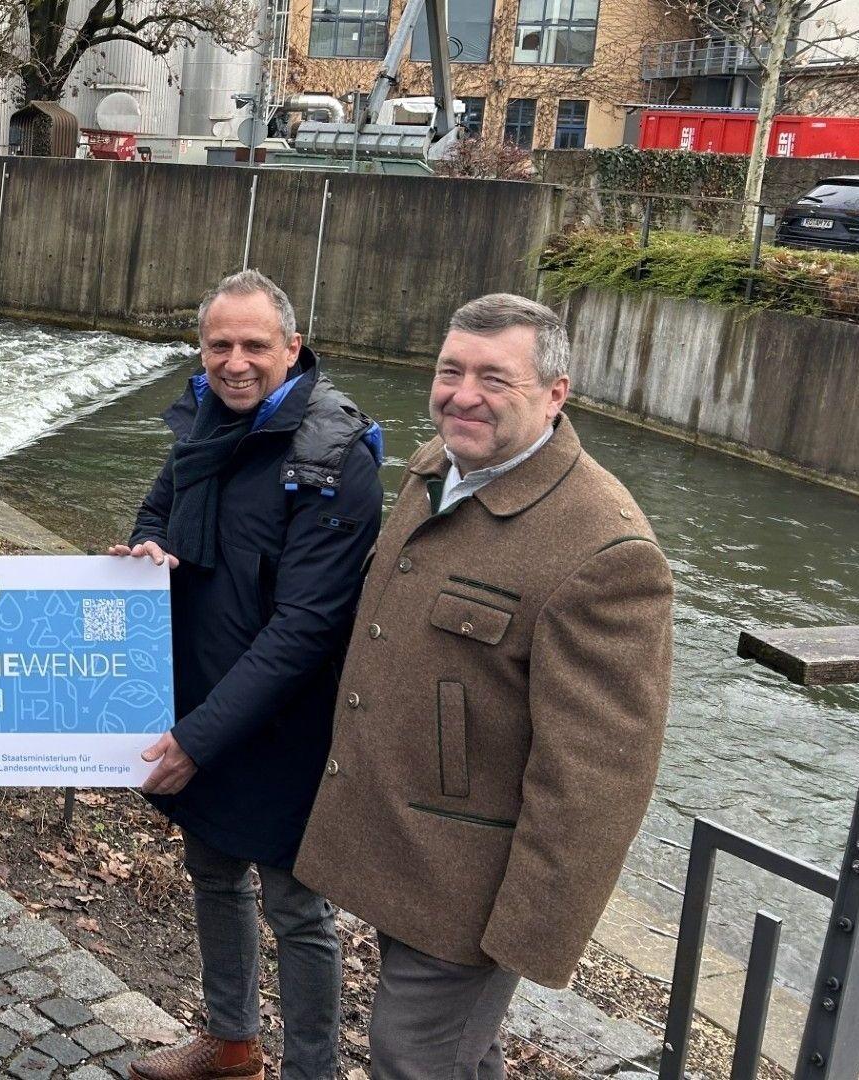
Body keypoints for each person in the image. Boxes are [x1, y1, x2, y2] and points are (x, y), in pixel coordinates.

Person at [295, 293, 674, 1080]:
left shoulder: (605, 549)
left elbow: (598, 775)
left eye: (494, 378)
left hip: (471, 884)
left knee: (413, 1055)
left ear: (555, 394)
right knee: (458, 1052)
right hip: (398, 840)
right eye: (450, 370)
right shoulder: (439, 467)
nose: (462, 394)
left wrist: (527, 934)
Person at [113, 270, 383, 1080]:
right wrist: (148, 551)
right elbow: (157, 508)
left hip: (287, 722)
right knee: (212, 870)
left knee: (298, 906)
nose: (234, 362)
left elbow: (306, 627)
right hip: (202, 689)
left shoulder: (335, 456)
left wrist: (196, 739)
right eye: (219, 344)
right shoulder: (201, 418)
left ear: (291, 348)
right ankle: (231, 1042)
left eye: (253, 345)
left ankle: (311, 1070)